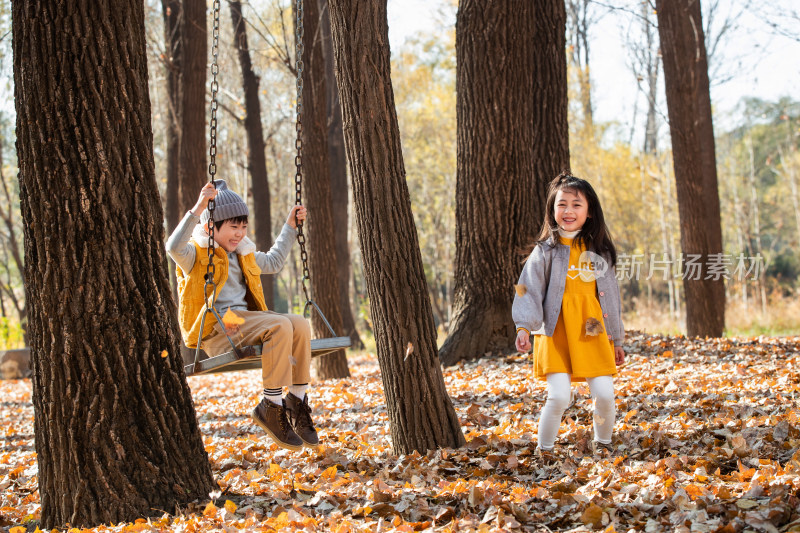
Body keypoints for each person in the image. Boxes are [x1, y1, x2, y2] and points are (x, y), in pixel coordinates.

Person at [166, 180, 318, 452]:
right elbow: (173, 248)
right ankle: (271, 406)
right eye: (232, 227)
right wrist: (199, 208)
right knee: (280, 324)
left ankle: (296, 399)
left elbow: (273, 261)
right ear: (211, 227)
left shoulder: (244, 254)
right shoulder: (196, 254)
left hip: (242, 322)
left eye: (243, 227)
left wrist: (290, 228)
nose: (239, 234)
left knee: (299, 324)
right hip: (219, 327)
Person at [512, 171, 625, 461]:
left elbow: (611, 298)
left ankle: (603, 443)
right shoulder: (545, 251)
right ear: (552, 210)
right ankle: (545, 451)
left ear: (589, 212)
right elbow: (528, 290)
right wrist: (524, 327)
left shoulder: (600, 252)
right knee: (560, 396)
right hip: (555, 332)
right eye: (562, 204)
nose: (569, 211)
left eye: (577, 204)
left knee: (605, 395)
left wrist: (617, 338)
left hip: (593, 332)